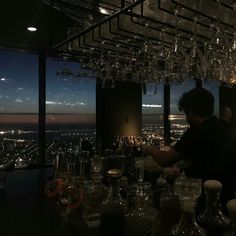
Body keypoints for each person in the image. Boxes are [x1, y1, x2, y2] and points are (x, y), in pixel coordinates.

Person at [142, 87, 232, 183]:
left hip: (203, 191)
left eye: (186, 113)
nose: (186, 118)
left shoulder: (197, 131)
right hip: (227, 188)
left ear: (191, 111)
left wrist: (148, 149)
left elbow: (165, 160)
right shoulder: (222, 126)